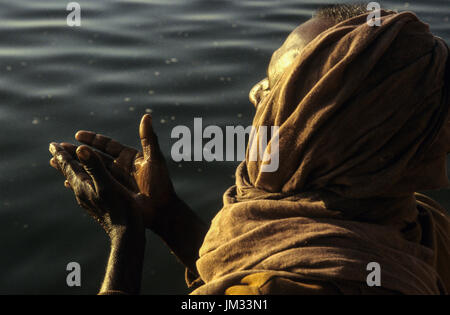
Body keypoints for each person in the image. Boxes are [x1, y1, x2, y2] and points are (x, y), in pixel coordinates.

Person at [49, 4, 450, 295]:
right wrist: (166, 214)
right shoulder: (423, 226)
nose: (254, 97)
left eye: (274, 92)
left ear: (323, 129)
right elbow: (257, 265)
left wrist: (124, 233)